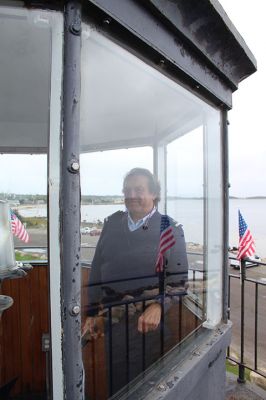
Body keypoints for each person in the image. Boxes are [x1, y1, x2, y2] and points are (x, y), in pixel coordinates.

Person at [83, 168, 188, 395]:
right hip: (113, 324)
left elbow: (179, 282)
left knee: (146, 390)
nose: (132, 195)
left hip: (148, 329)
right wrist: (92, 313)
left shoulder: (170, 229)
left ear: (154, 194)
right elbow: (97, 271)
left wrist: (159, 305)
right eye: (128, 190)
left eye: (139, 189)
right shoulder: (112, 224)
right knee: (117, 386)